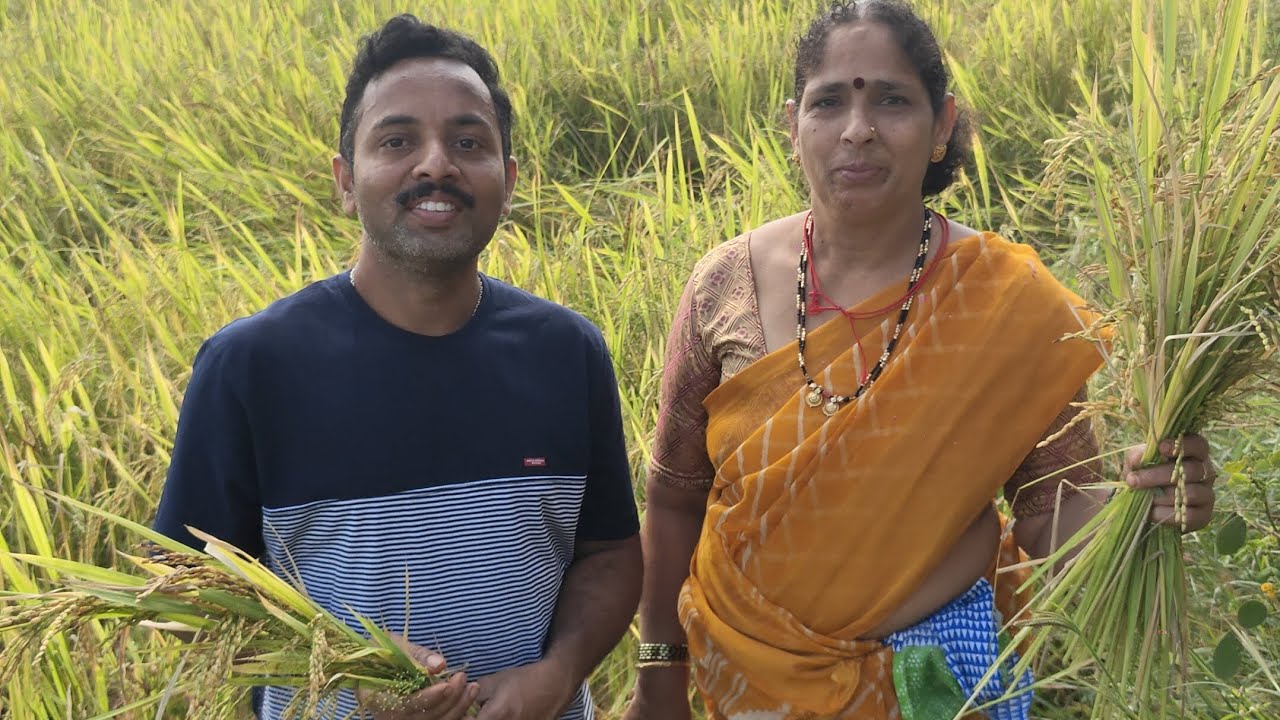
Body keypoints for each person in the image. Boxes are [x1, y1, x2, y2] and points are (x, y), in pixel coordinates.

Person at [623, 2, 1216, 719]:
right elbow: (675, 496)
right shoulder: (724, 285)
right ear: (792, 126)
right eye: (829, 102)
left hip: (928, 681)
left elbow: (1051, 513)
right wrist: (658, 675)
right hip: (742, 674)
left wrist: (1144, 499)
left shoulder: (1001, 301)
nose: (858, 129)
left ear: (942, 125)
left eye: (892, 100)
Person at [154, 15, 642, 720]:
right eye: (397, 141)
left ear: (507, 182)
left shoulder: (567, 352)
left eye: (468, 142)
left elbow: (610, 554)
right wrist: (345, 666)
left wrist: (558, 674)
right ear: (346, 181)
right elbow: (181, 596)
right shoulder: (251, 366)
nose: (435, 165)